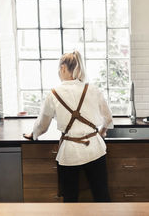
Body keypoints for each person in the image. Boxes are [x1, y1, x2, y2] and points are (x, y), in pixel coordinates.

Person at [24, 51, 113, 202]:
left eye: (59, 69)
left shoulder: (53, 94)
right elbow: (108, 118)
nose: (59, 72)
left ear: (64, 68)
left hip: (70, 153)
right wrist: (102, 132)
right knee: (102, 196)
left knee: (70, 200)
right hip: (94, 149)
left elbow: (43, 125)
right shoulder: (92, 89)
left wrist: (34, 134)